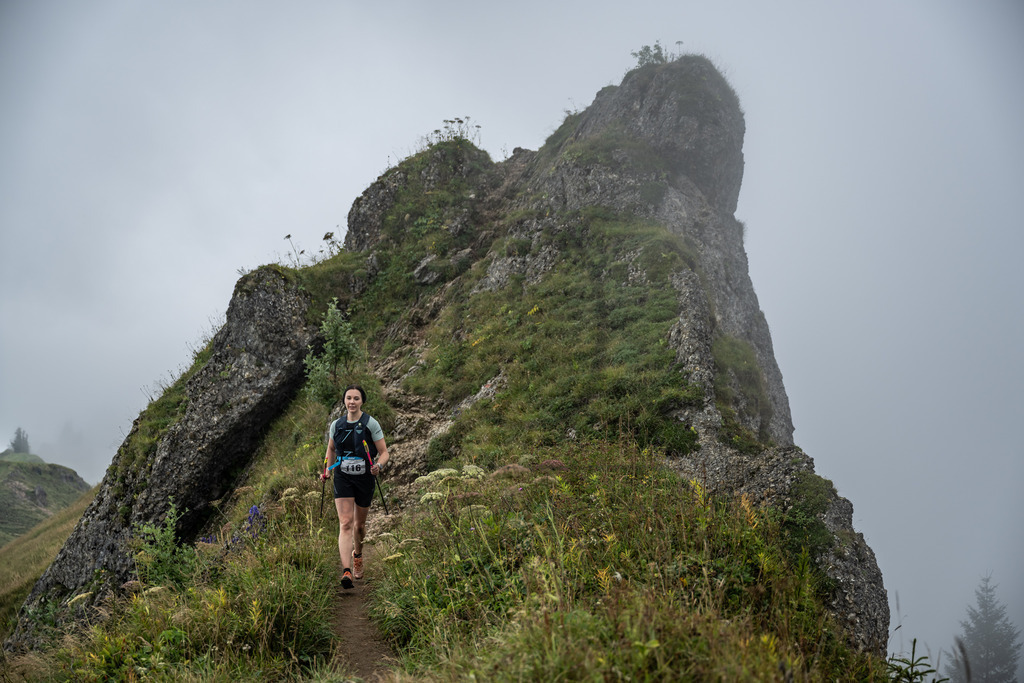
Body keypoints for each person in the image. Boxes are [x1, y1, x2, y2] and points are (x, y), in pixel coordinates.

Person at [320, 384, 390, 589]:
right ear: (344, 401)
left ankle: (357, 555)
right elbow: (331, 449)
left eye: (356, 398)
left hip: (365, 477)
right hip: (342, 476)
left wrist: (379, 465)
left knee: (359, 526)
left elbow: (384, 452)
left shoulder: (370, 423)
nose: (352, 402)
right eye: (348, 398)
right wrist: (327, 470)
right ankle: (346, 571)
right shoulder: (337, 425)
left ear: (362, 401)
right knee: (345, 523)